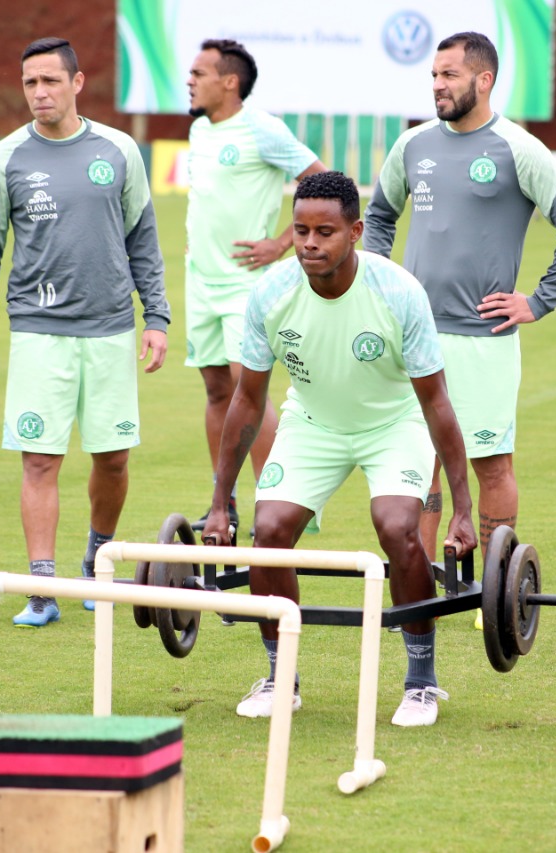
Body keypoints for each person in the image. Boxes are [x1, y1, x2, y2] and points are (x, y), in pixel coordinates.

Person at [201, 171, 477, 727]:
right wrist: (219, 500)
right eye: (300, 229)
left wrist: (464, 509)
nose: (308, 243)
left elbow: (437, 405)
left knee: (397, 525)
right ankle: (282, 676)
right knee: (270, 530)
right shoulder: (272, 294)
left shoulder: (399, 293)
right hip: (313, 422)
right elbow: (248, 403)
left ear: (354, 232)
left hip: (393, 423)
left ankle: (421, 682)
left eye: (324, 232)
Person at [364, 32, 556, 625]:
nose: (437, 85)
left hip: (483, 339)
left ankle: (493, 591)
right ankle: (416, 588)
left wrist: (539, 301)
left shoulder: (520, 149)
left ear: (483, 80)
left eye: (448, 75)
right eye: (433, 76)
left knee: (490, 463)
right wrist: (380, 281)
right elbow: (379, 215)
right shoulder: (413, 144)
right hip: (414, 337)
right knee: (418, 461)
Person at [0, 37, 169, 627]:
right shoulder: (4, 159)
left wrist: (156, 316)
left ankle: (95, 558)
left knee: (114, 459)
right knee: (39, 461)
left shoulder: (120, 149)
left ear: (78, 83)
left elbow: (143, 242)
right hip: (37, 332)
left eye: (50, 81)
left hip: (109, 331)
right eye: (30, 83)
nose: (39, 93)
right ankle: (42, 588)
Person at [184, 38, 326, 532]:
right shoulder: (200, 130)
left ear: (229, 81)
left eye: (199, 73)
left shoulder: (262, 129)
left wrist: (283, 242)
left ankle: (276, 500)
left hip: (244, 285)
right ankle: (225, 501)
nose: (190, 80)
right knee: (216, 388)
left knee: (251, 390)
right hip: (199, 283)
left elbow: (319, 178)